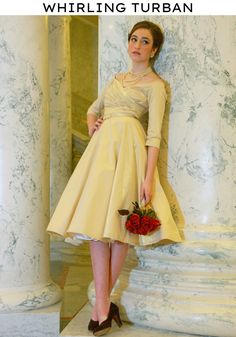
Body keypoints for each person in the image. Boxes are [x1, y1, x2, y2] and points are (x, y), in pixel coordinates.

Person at [47, 20, 183, 336]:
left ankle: (102, 308)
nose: (136, 45)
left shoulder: (155, 87)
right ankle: (105, 307)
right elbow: (94, 109)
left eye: (144, 41)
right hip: (102, 154)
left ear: (154, 49)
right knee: (97, 228)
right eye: (133, 38)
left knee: (121, 230)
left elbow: (154, 136)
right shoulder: (116, 79)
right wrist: (94, 124)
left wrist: (149, 179)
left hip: (132, 152)